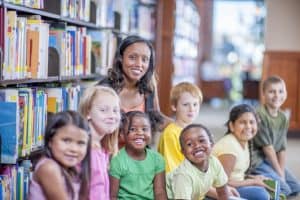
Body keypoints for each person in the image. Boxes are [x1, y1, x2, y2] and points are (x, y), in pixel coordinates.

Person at [98, 35, 170, 125]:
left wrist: (181, 126)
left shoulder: (149, 86)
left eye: (144, 59)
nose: (139, 64)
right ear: (120, 58)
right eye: (132, 57)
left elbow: (157, 119)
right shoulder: (103, 90)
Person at [251, 75, 300, 197]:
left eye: (280, 91)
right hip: (257, 161)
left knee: (295, 187)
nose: (277, 95)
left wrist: (281, 172)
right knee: (284, 189)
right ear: (263, 93)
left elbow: (281, 148)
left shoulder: (283, 117)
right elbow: (268, 149)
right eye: (272, 91)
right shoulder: (260, 115)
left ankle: (271, 179)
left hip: (269, 160)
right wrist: (279, 173)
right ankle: (250, 181)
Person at [28, 111, 91, 200]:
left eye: (81, 143)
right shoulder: (49, 168)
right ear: (50, 141)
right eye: (66, 141)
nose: (74, 149)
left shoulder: (72, 170)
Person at [212, 104, 270, 200]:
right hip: (220, 190)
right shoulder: (229, 148)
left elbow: (237, 173)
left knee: (268, 182)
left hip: (236, 184)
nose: (248, 126)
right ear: (231, 126)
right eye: (242, 122)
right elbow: (221, 183)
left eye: (252, 122)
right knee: (261, 194)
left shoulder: (244, 141)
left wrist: (255, 179)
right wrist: (252, 182)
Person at [109, 111, 167, 200]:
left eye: (144, 129)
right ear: (122, 134)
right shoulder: (117, 160)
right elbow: (112, 196)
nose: (140, 133)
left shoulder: (157, 159)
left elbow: (160, 192)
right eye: (132, 129)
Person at [79, 85, 121, 200]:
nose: (112, 116)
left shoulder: (103, 149)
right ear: (88, 112)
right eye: (103, 110)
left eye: (115, 110)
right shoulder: (83, 151)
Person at [166, 124, 229, 200]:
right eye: (189, 144)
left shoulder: (214, 162)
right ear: (183, 152)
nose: (197, 146)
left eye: (201, 140)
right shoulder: (183, 175)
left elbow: (223, 192)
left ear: (211, 143)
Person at [157, 82, 202, 173]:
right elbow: (173, 172)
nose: (191, 109)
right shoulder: (170, 134)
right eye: (185, 105)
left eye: (195, 104)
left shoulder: (196, 132)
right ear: (174, 106)